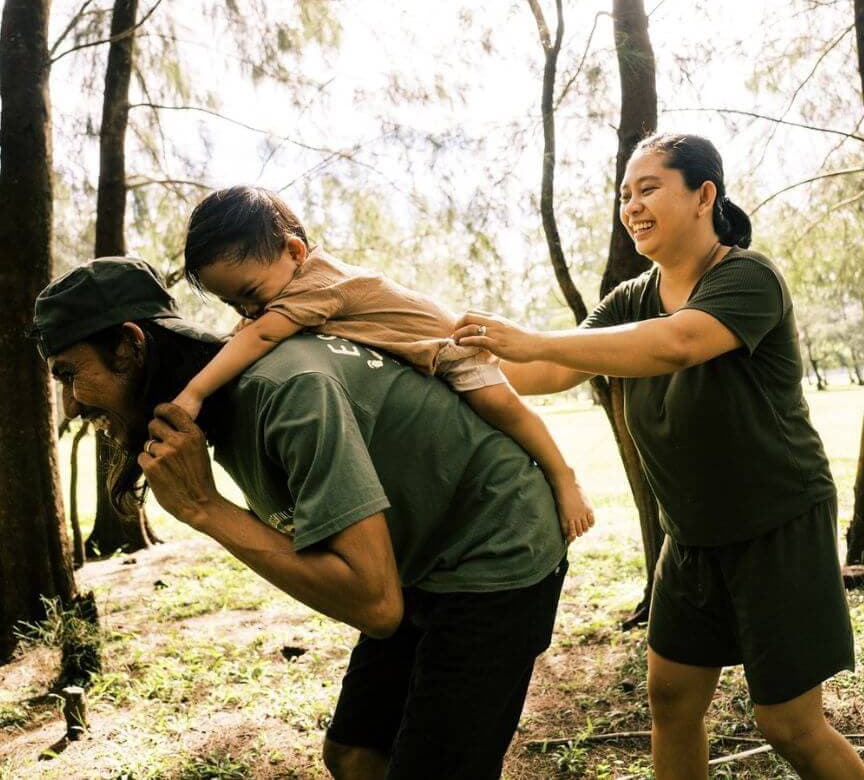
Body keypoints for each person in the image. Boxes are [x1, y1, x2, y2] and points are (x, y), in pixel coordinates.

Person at [32, 255, 568, 780]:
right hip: (421, 552)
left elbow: (377, 605)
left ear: (129, 347)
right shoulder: (221, 404)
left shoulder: (284, 393)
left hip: (497, 543)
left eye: (69, 374)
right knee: (354, 755)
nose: (72, 406)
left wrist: (205, 508)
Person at [454, 133, 862, 780]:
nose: (632, 206)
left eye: (649, 189)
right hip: (691, 536)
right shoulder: (630, 298)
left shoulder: (746, 278)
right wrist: (457, 363)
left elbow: (675, 345)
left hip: (777, 526)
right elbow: (552, 370)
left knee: (789, 725)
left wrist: (531, 341)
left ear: (704, 196)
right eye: (624, 194)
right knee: (670, 699)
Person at [171, 185, 593, 541]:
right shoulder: (282, 288)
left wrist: (194, 393)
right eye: (233, 303)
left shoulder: (314, 285)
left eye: (251, 293)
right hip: (415, 353)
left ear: (295, 251)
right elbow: (249, 332)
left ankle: (562, 475)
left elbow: (260, 336)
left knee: (502, 407)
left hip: (448, 348)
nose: (248, 309)